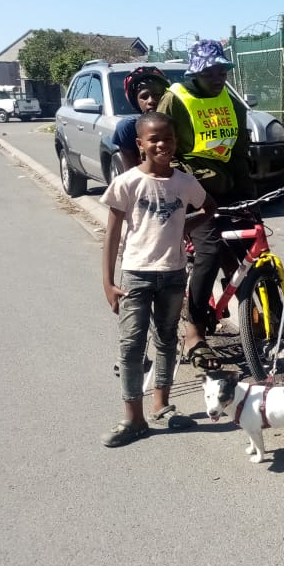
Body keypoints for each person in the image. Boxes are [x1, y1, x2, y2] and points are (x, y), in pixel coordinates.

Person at [100, 112, 215, 447]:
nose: (162, 144)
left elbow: (209, 208)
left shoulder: (184, 182)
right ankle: (134, 417)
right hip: (136, 274)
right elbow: (111, 235)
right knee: (132, 345)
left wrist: (183, 229)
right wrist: (107, 281)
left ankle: (161, 404)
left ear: (175, 142)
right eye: (154, 139)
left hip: (173, 274)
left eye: (168, 138)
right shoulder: (127, 182)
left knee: (166, 340)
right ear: (140, 145)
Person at [158, 39, 254, 371]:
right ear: (196, 72)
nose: (218, 76)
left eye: (222, 69)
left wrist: (247, 197)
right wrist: (183, 188)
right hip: (190, 192)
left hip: (226, 186)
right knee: (210, 252)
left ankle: (254, 313)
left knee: (247, 245)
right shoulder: (175, 99)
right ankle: (194, 331)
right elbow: (162, 149)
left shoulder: (231, 100)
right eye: (210, 70)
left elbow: (239, 150)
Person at [112, 66, 171, 172]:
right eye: (144, 97)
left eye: (157, 95)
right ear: (136, 101)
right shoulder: (128, 128)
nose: (151, 101)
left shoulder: (176, 122)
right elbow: (130, 175)